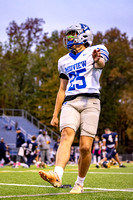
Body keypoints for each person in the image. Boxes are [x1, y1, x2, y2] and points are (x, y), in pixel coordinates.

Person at [38, 23, 109, 193]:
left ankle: (80, 183)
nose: (69, 38)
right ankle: (57, 174)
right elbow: (62, 89)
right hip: (70, 102)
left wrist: (97, 58)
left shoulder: (97, 49)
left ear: (84, 36)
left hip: (91, 102)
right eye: (68, 35)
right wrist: (55, 114)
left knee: (85, 146)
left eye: (72, 35)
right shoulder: (63, 61)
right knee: (65, 136)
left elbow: (101, 64)